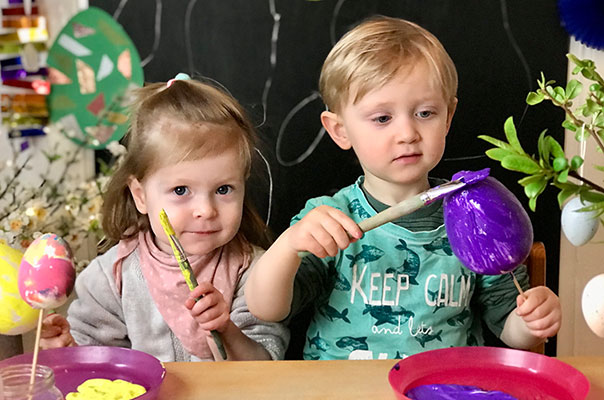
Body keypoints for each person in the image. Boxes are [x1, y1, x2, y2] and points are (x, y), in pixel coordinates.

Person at [245, 16, 561, 360]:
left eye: (425, 113)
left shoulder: (476, 214)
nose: (408, 133)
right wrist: (289, 246)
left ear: (449, 116)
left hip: (445, 388)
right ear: (339, 130)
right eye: (382, 118)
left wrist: (531, 321)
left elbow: (511, 330)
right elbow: (267, 309)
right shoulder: (328, 220)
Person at [40, 74, 289, 362]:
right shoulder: (112, 277)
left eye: (224, 189)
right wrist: (67, 349)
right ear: (141, 196)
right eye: (181, 190)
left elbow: (265, 366)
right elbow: (97, 365)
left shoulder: (255, 272)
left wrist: (226, 330)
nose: (206, 210)